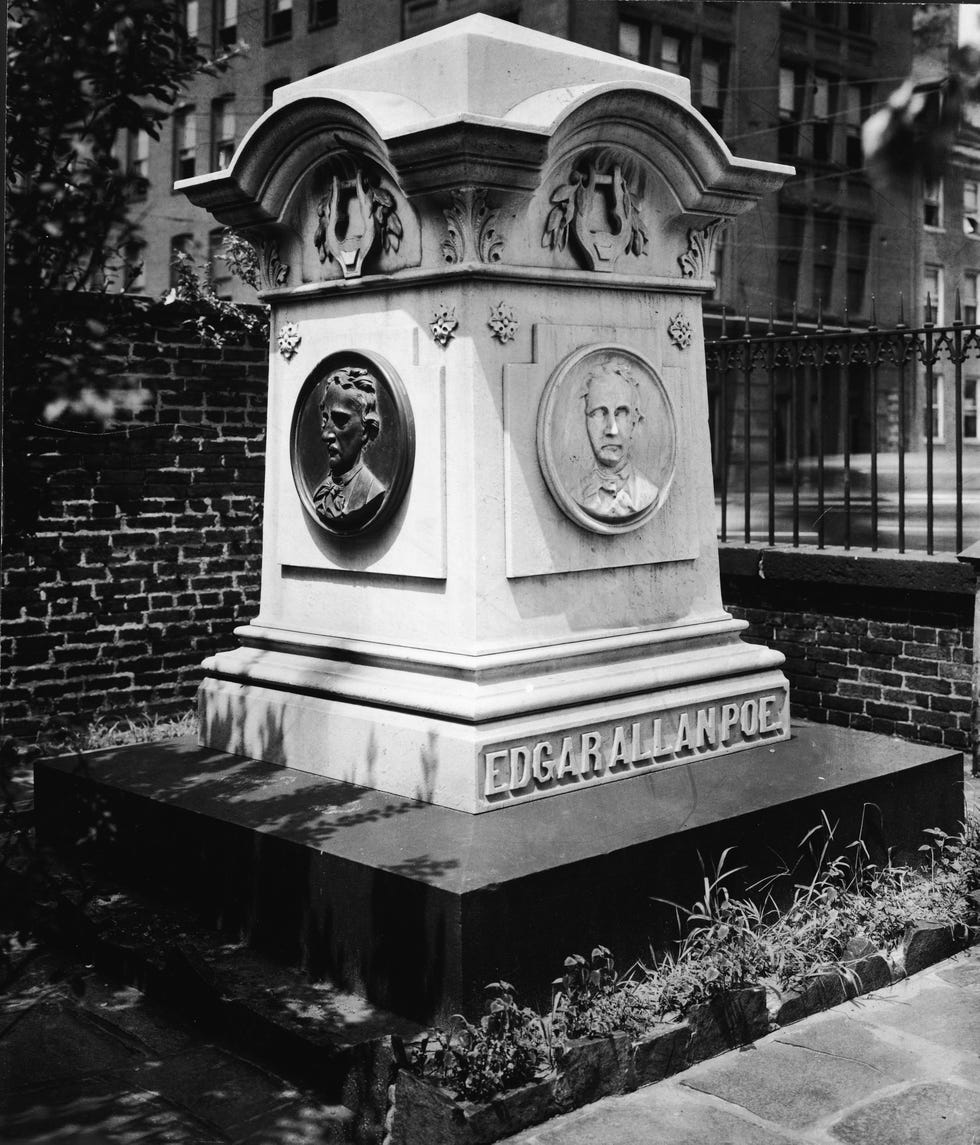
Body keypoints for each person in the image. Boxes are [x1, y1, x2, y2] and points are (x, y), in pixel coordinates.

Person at [576, 361, 658, 521]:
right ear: (586, 420)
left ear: (634, 420)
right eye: (599, 412)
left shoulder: (648, 492)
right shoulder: (576, 493)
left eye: (621, 412)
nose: (611, 430)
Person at [312, 366, 386, 527]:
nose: (326, 435)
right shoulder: (320, 491)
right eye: (325, 419)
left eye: (340, 420)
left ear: (365, 430)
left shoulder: (372, 492)